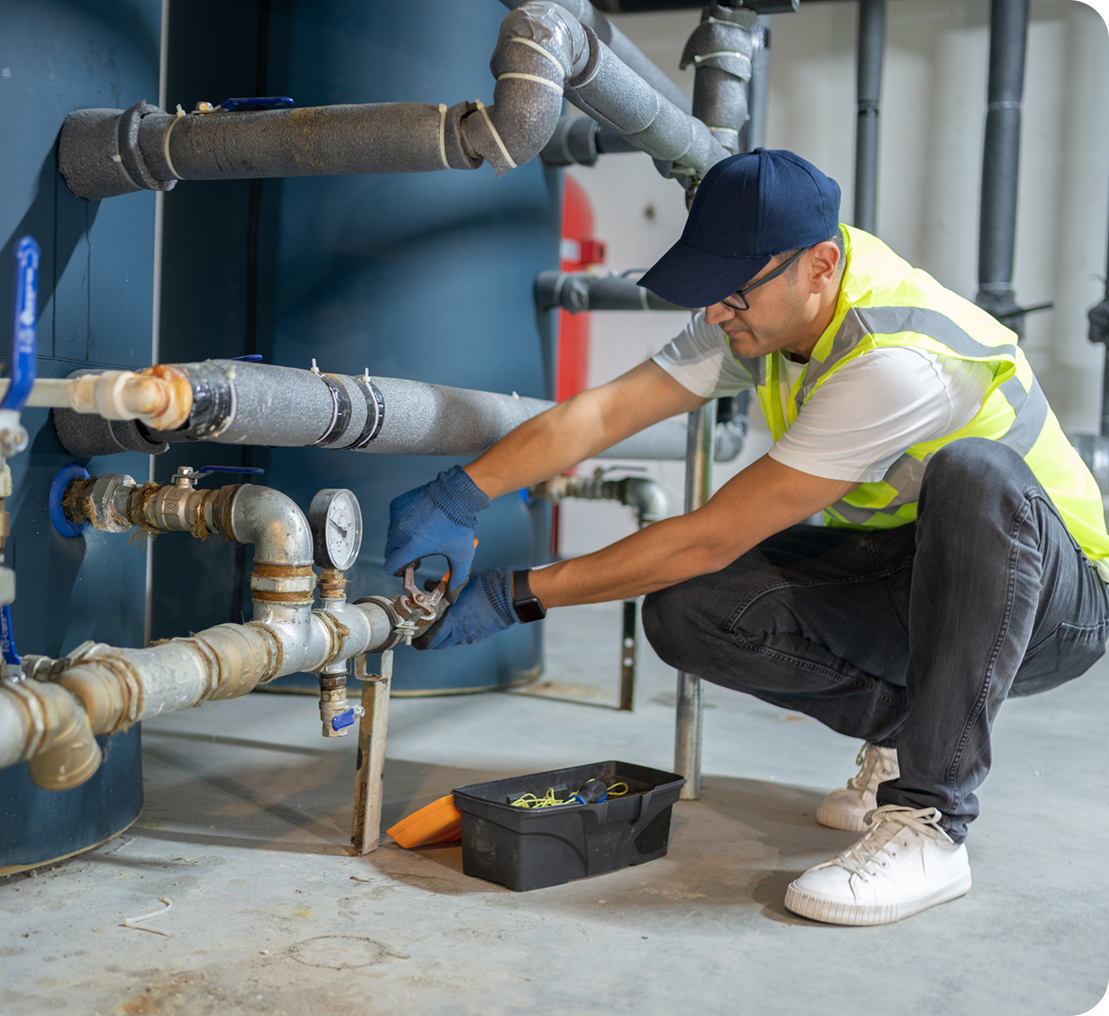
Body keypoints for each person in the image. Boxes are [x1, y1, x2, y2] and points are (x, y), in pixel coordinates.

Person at [383, 149, 1109, 926]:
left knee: (974, 474)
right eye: (711, 292)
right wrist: (463, 493)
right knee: (685, 607)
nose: (719, 312)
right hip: (916, 573)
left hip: (1049, 608)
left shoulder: (896, 360)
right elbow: (602, 413)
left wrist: (515, 595)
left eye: (733, 293)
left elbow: (709, 537)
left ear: (819, 267)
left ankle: (930, 821)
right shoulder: (766, 304)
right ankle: (909, 730)